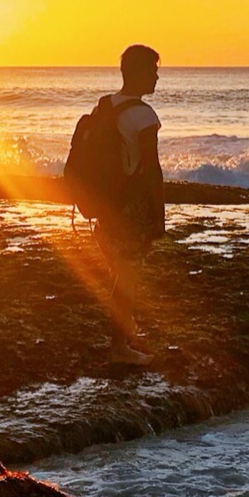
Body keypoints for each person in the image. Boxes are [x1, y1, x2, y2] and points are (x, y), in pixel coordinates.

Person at [97, 43, 164, 365]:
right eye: (152, 70)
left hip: (105, 203)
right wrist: (158, 213)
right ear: (136, 73)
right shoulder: (143, 116)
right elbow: (152, 169)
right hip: (130, 207)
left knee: (118, 271)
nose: (157, 77)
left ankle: (124, 333)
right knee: (127, 276)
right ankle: (118, 347)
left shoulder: (105, 106)